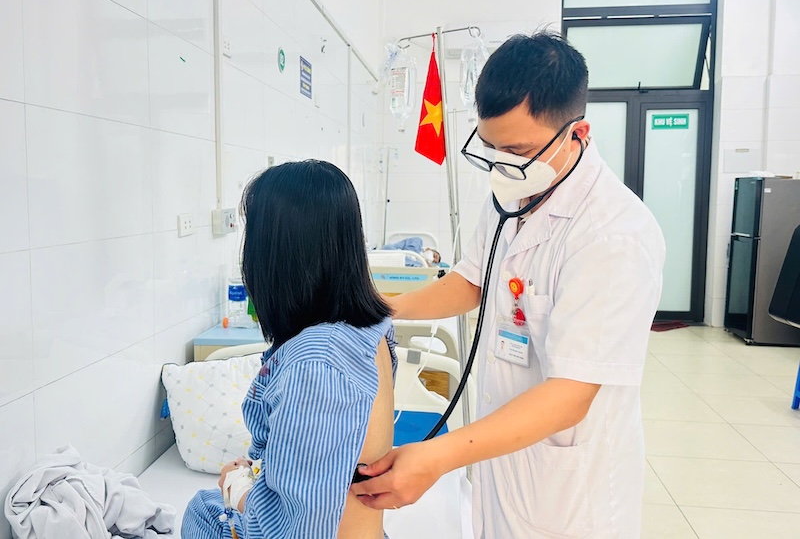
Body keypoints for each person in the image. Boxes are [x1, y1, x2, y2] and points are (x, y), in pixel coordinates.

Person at [351, 31, 665, 538]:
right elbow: (472, 280)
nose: (503, 164)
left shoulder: (615, 236)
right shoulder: (515, 189)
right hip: (504, 462)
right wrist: (385, 309)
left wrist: (437, 457)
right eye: (491, 148)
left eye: (516, 149)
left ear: (577, 133)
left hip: (569, 493)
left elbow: (570, 394)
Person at [182, 160, 397, 539]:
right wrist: (254, 471)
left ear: (275, 255)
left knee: (203, 511)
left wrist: (239, 487)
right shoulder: (368, 331)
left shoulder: (317, 361)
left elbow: (292, 529)